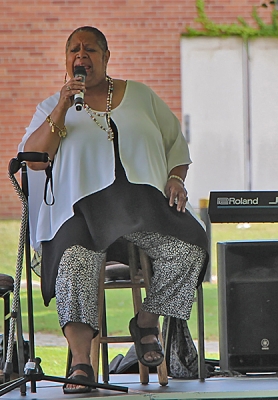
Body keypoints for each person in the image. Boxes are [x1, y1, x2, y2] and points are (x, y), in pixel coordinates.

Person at [19, 26, 208, 393]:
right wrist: (61, 105)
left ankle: (147, 322)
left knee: (191, 247)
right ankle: (79, 362)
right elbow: (35, 159)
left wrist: (175, 179)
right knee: (76, 260)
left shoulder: (140, 95)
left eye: (90, 49)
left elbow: (175, 144)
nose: (81, 55)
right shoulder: (52, 107)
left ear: (106, 57)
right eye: (73, 50)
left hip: (141, 208)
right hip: (80, 214)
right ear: (66, 60)